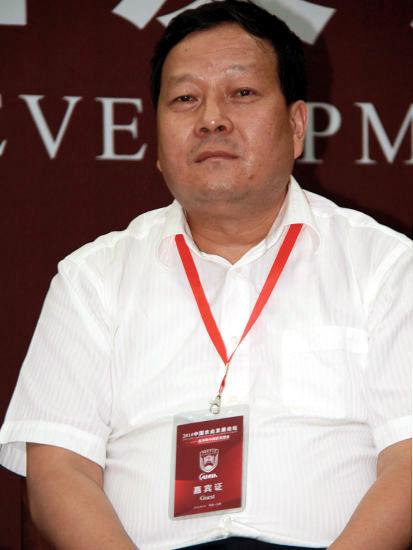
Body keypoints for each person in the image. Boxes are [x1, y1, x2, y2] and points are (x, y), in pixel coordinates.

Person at [0, 1, 411, 549]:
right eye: (185, 99)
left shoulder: (386, 265)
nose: (211, 118)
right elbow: (59, 468)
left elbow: (408, 460)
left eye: (242, 93)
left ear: (296, 126)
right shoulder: (92, 278)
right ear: (157, 137)